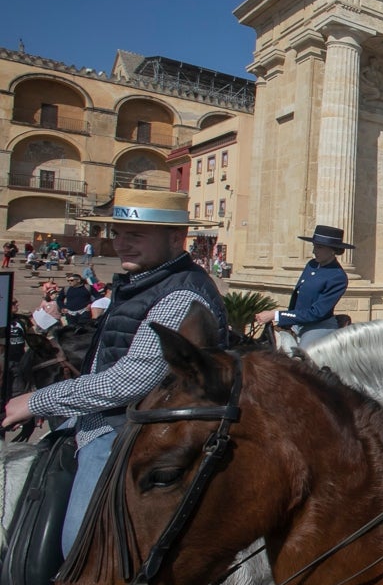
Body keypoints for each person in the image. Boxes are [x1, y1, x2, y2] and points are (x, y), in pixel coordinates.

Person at [2, 189, 228, 555]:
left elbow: (128, 380)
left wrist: (38, 401)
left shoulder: (180, 295)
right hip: (105, 419)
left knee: (80, 545)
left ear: (175, 238)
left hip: (132, 430)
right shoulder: (144, 280)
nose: (121, 244)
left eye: (135, 235)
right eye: (117, 233)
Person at [254, 225, 353, 349]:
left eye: (319, 247)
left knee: (304, 355)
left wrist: (277, 315)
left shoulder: (337, 276)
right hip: (296, 322)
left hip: (318, 325)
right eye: (314, 246)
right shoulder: (311, 265)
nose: (314, 251)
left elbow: (317, 313)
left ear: (333, 250)